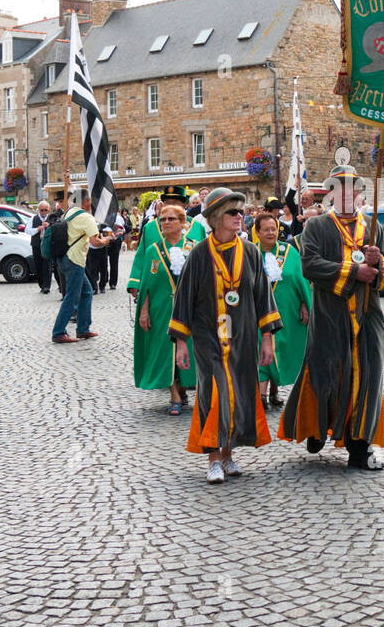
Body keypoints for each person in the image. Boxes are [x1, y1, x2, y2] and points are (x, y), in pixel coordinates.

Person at [278, 164, 384, 471]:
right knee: (325, 375)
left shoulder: (373, 227)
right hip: (330, 317)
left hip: (368, 319)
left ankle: (359, 448)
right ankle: (317, 427)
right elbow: (310, 265)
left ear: (358, 194)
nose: (346, 195)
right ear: (330, 194)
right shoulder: (316, 227)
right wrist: (356, 271)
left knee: (365, 379)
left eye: (352, 189)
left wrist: (378, 263)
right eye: (339, 189)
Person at [169, 188, 281, 484]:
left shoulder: (252, 253)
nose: (239, 217)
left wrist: (267, 339)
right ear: (217, 217)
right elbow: (183, 299)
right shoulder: (200, 255)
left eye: (240, 212)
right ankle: (213, 458)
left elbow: (263, 297)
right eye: (232, 213)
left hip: (243, 338)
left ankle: (229, 454)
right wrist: (181, 343)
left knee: (240, 393)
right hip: (209, 339)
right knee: (215, 392)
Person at [128, 203, 197, 415]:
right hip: (161, 308)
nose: (166, 223)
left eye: (171, 219)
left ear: (182, 223)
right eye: (162, 220)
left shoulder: (195, 247)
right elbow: (147, 283)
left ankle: (184, 385)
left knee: (191, 351)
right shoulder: (153, 250)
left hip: (190, 309)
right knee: (164, 350)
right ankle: (174, 395)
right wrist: (144, 311)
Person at [252, 209, 311, 408]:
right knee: (262, 349)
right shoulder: (250, 254)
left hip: (288, 309)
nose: (270, 233)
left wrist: (305, 304)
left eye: (273, 229)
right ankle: (260, 396)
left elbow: (300, 279)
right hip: (258, 313)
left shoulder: (290, 252)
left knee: (283, 348)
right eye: (266, 230)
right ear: (257, 232)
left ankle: (274, 392)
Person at [51, 191, 114, 343]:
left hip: (64, 258)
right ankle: (58, 332)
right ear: (86, 201)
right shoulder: (86, 217)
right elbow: (95, 242)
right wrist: (106, 240)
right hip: (75, 260)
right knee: (72, 297)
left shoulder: (69, 213)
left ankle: (83, 329)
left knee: (86, 292)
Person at [28, 201, 53, 292]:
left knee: (47, 265)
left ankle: (47, 286)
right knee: (38, 265)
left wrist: (50, 226)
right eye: (41, 210)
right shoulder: (33, 218)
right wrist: (37, 229)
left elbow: (58, 228)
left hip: (47, 244)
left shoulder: (51, 218)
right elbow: (27, 230)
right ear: (38, 210)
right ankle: (41, 284)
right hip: (36, 244)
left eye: (45, 210)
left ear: (49, 210)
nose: (43, 212)